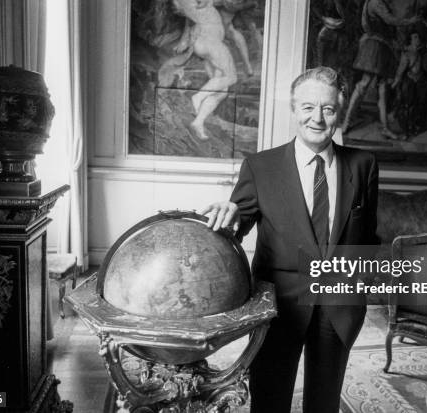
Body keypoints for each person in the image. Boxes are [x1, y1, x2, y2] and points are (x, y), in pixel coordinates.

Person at [201, 66, 379, 413]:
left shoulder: (364, 164)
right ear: (294, 110)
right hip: (278, 306)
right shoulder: (260, 166)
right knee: (269, 399)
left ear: (339, 112)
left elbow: (368, 234)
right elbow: (237, 227)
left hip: (339, 304)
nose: (317, 118)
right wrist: (230, 212)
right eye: (308, 107)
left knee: (324, 403)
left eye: (327, 109)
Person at [342, 0, 421, 140]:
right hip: (375, 47)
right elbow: (390, 20)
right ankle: (346, 123)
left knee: (382, 89)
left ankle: (385, 128)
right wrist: (410, 21)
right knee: (364, 84)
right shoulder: (375, 2)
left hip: (382, 47)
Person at [165, 0, 238, 140]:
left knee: (222, 91)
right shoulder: (194, 5)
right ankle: (198, 97)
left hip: (205, 44)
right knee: (232, 77)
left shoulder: (189, 8)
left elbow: (188, 25)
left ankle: (198, 122)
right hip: (212, 43)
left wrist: (184, 41)